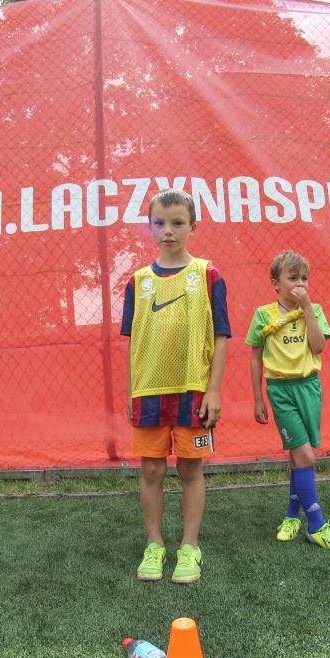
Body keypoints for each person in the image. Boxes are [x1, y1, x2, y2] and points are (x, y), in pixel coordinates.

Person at [120, 189, 229, 584]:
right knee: (151, 470)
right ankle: (154, 544)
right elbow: (134, 343)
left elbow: (220, 336)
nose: (168, 230)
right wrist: (130, 392)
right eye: (160, 223)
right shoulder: (137, 282)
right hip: (149, 392)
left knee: (189, 468)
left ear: (192, 227)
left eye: (177, 223)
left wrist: (213, 390)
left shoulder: (208, 274)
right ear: (149, 228)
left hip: (193, 391)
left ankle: (189, 546)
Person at [246, 250, 330, 551]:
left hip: (309, 388)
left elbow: (318, 347)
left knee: (297, 457)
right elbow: (255, 358)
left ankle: (292, 516)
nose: (300, 283)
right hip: (280, 390)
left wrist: (307, 309)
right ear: (276, 284)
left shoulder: (313, 310)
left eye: (304, 278)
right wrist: (258, 398)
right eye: (292, 278)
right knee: (306, 458)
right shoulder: (263, 314)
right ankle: (317, 526)